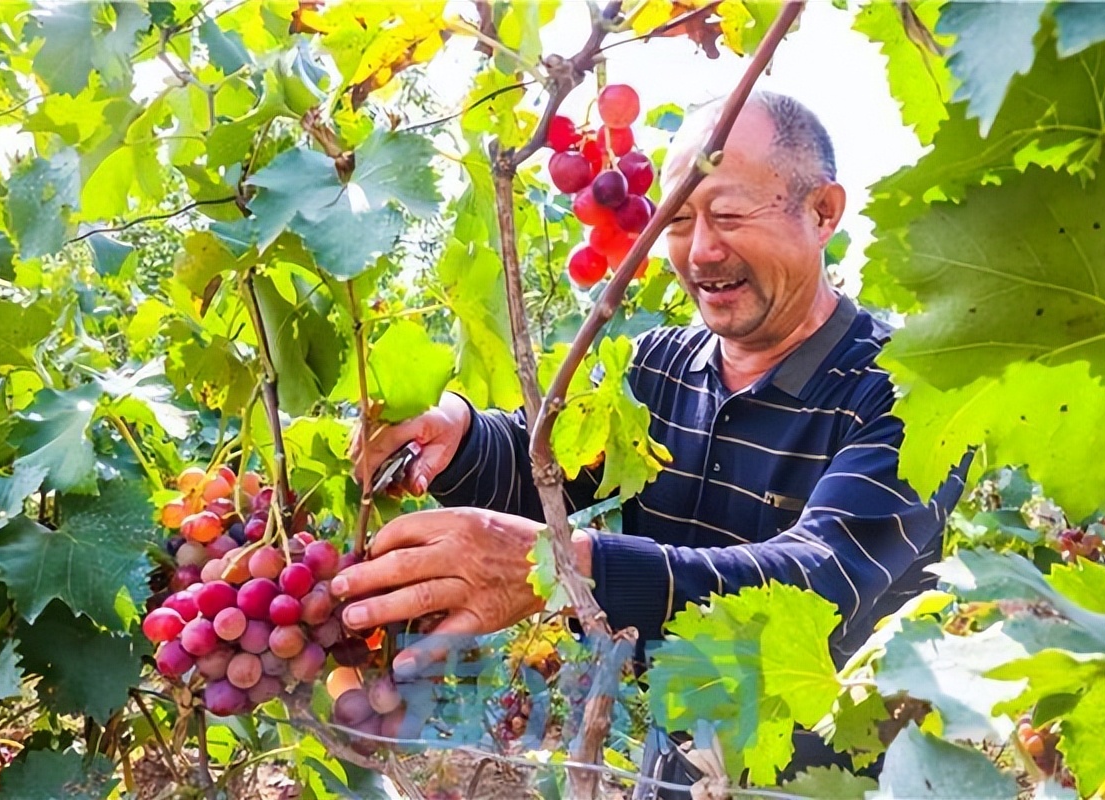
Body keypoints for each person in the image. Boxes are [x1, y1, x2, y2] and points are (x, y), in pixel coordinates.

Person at [331, 91, 966, 781]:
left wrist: (565, 567)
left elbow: (817, 580)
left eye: (727, 215)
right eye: (677, 219)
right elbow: (544, 467)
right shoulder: (658, 365)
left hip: (838, 787)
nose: (701, 251)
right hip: (667, 774)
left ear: (822, 213)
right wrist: (459, 435)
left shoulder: (910, 390)